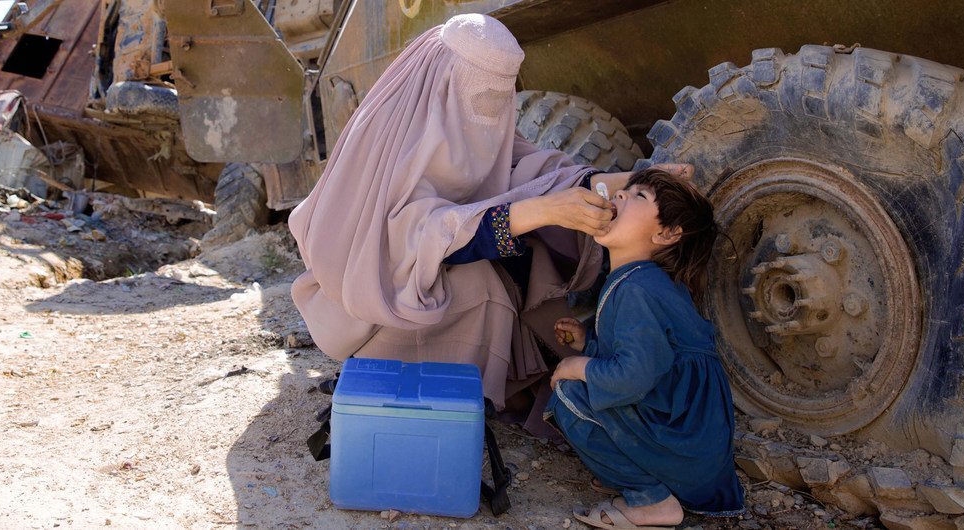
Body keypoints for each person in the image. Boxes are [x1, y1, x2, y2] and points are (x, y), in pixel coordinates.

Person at [289, 12, 644, 434]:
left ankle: (471, 385)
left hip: (426, 275)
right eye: (483, 93)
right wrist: (544, 211)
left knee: (507, 266)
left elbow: (530, 172)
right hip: (370, 304)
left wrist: (633, 181)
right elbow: (407, 241)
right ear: (445, 78)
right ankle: (405, 377)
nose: (492, 108)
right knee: (481, 286)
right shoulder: (392, 132)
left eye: (502, 95)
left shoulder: (476, 120)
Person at [548, 167, 744, 529]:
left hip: (685, 450)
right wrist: (588, 342)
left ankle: (652, 501)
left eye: (638, 196)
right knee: (585, 387)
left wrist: (576, 365)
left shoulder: (637, 289)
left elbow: (634, 377)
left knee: (568, 395)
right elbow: (649, 364)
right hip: (693, 450)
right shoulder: (642, 281)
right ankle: (641, 474)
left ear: (667, 233)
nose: (620, 194)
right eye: (626, 190)